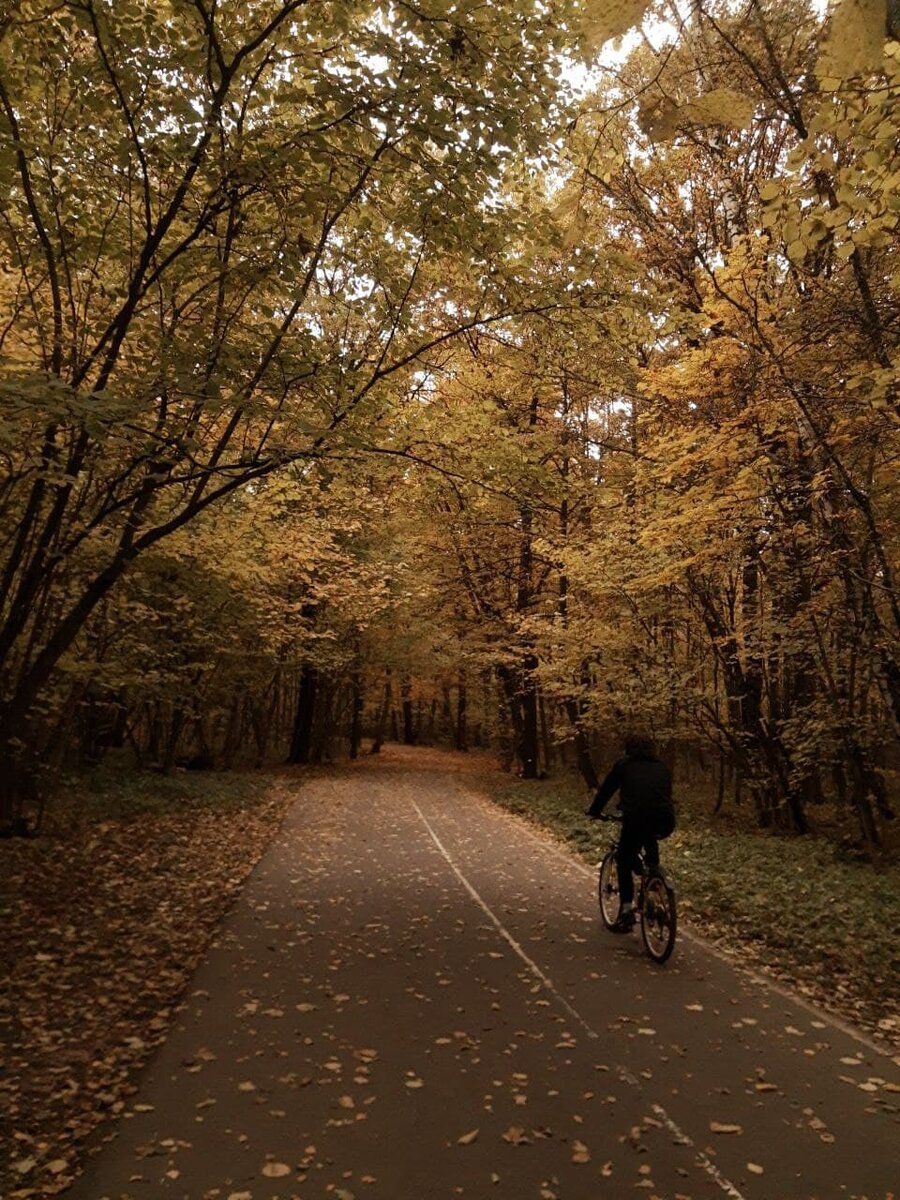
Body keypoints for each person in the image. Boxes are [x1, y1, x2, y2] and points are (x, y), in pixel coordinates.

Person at [586, 733, 675, 932]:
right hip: (665, 821)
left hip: (635, 818)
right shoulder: (661, 766)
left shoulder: (624, 765)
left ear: (629, 749)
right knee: (650, 850)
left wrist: (595, 811)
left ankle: (626, 910)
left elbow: (607, 790)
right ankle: (654, 878)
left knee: (624, 858)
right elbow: (663, 794)